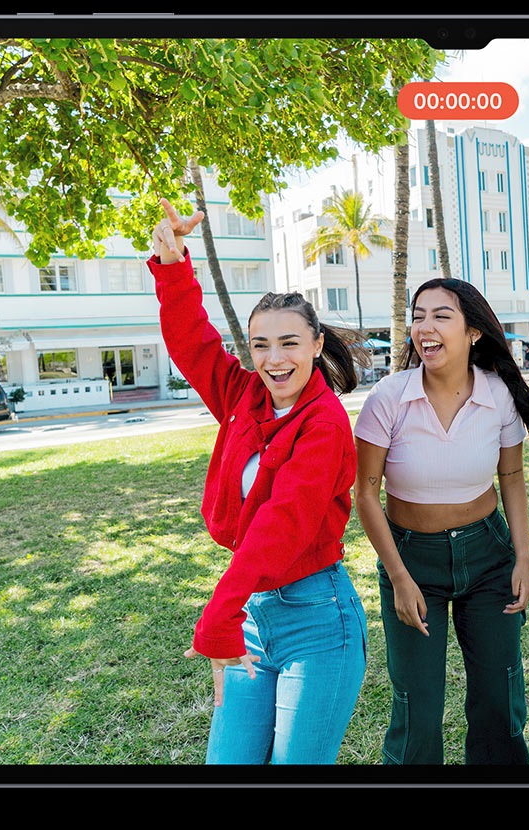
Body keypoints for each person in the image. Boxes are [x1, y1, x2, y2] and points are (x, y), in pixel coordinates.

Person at [149, 198, 368, 765]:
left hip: (318, 621)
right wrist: (173, 267)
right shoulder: (241, 395)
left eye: (290, 343)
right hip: (252, 613)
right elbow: (193, 344)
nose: (274, 359)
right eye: (261, 344)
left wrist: (219, 613)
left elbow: (280, 525)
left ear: (316, 346)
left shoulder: (324, 424)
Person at [353, 277, 529, 764]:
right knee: (417, 703)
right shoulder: (389, 397)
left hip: (489, 555)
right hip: (412, 559)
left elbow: (510, 476)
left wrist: (523, 557)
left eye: (441, 316)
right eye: (418, 315)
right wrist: (400, 578)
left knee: (498, 694)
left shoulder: (497, 396)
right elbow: (364, 492)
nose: (425, 327)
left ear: (473, 333)